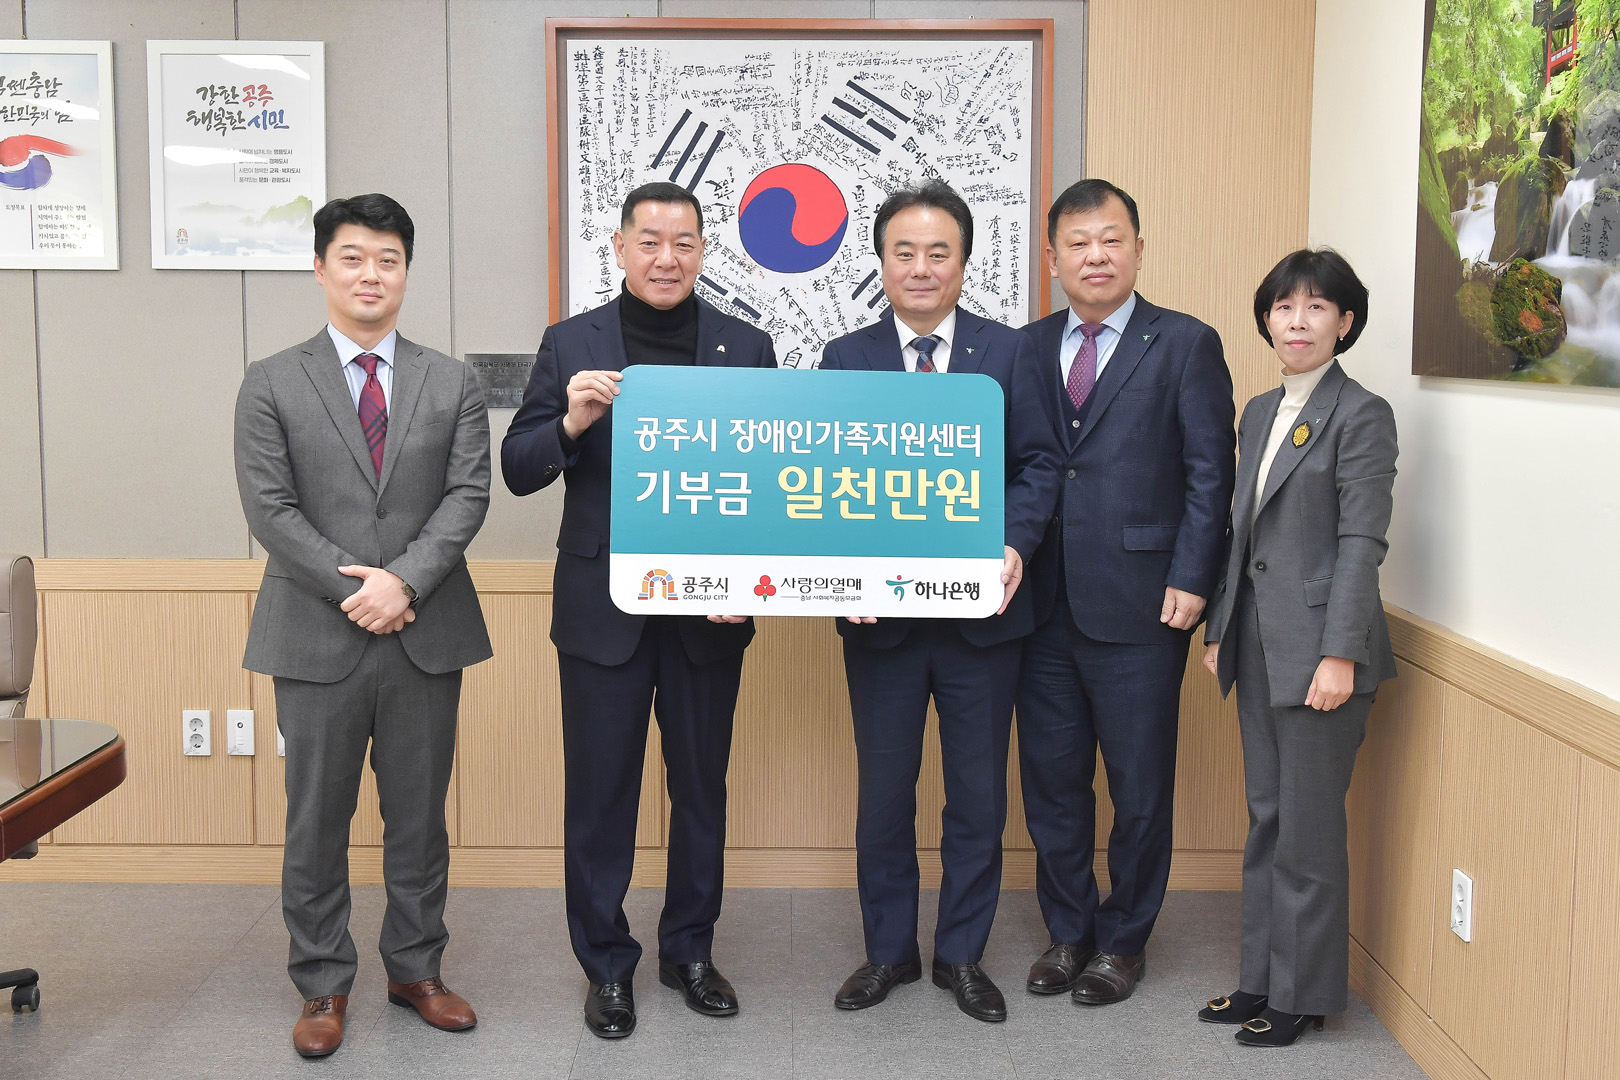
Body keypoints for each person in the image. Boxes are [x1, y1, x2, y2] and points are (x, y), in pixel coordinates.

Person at [502, 182, 776, 1040]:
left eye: (684, 243)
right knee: (600, 795)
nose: (667, 258)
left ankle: (690, 951)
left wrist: (748, 581)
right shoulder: (571, 342)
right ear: (619, 248)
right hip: (602, 613)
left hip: (709, 616)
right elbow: (518, 467)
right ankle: (607, 967)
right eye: (650, 241)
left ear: (703, 252)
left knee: (700, 790)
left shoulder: (746, 347)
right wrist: (572, 422)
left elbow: (770, 483)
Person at [234, 193, 492, 1058]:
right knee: (317, 818)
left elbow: (467, 496)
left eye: (388, 259)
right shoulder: (272, 379)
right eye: (352, 257)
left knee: (419, 817)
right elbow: (269, 509)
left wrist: (404, 582)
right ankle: (322, 982)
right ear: (320, 269)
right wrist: (360, 590)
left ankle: (418, 970)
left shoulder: (451, 381)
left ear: (406, 272)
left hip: (426, 628)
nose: (370, 274)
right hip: (315, 633)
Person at [820, 180, 1063, 1023]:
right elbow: (820, 477)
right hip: (880, 625)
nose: (921, 268)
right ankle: (888, 951)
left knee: (977, 801)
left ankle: (961, 954)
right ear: (881, 263)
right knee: (885, 798)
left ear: (964, 262)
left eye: (938, 252)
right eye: (904, 252)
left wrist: (1015, 544)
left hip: (983, 623)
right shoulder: (845, 358)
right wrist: (842, 576)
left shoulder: (1012, 353)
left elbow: (1039, 465)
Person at [1016, 179, 1237, 1004]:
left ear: (1139, 248)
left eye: (1111, 239)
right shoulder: (1027, 348)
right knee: (1052, 785)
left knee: (1139, 789)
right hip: (1038, 607)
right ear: (1052, 259)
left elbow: (1211, 472)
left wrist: (1194, 576)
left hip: (1145, 603)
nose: (1095, 255)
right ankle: (1069, 932)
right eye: (1078, 243)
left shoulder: (1184, 344)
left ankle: (1123, 941)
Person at [1198, 249, 1396, 1046]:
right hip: (1257, 644)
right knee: (1267, 820)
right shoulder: (1259, 410)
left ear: (1345, 322)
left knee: (1307, 832)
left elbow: (1361, 543)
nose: (1298, 321)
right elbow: (1242, 534)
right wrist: (1220, 629)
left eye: (1317, 307)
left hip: (1323, 654)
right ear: (1267, 320)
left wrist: (1340, 653)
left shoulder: (1363, 413)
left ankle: (1302, 995)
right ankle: (1259, 979)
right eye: (1284, 307)